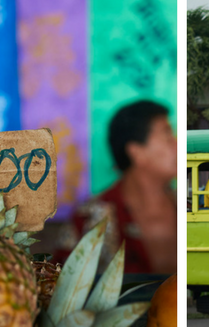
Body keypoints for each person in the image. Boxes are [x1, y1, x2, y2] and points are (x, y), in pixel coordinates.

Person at [65, 99, 177, 273]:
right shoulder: (90, 221)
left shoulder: (188, 208)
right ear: (137, 152)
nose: (178, 144)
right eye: (168, 136)